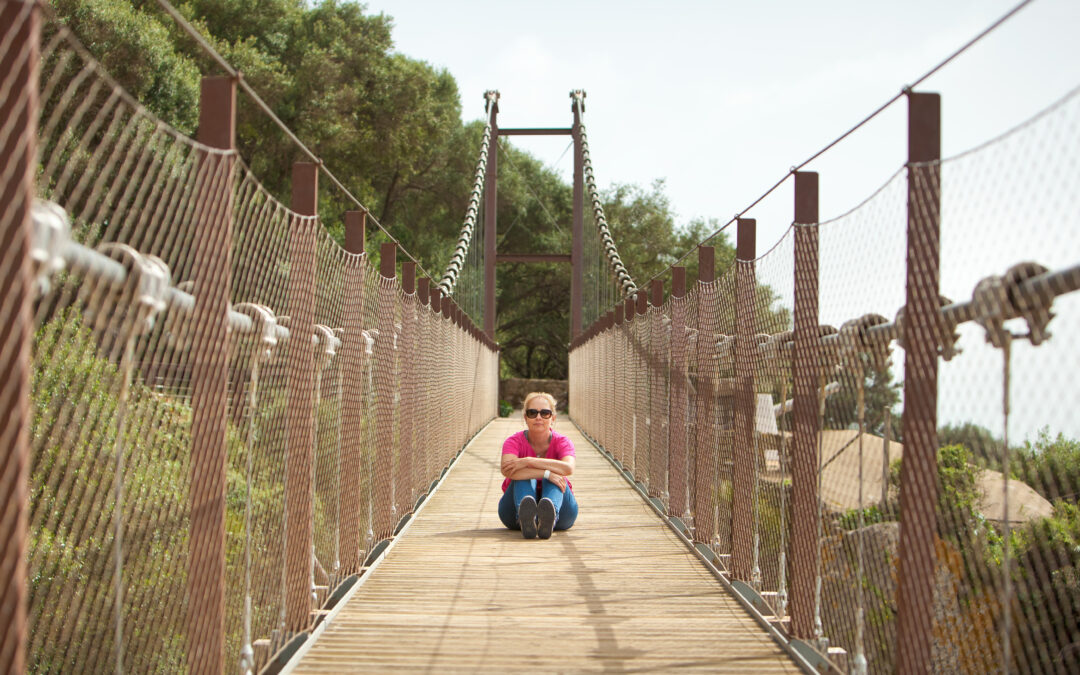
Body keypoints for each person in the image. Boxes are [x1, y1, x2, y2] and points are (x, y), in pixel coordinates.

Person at [497, 392, 579, 539]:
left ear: (553, 418)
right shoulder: (513, 441)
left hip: (563, 516)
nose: (538, 417)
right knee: (537, 475)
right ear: (525, 418)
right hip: (512, 515)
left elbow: (568, 468)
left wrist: (528, 461)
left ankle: (549, 516)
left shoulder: (563, 442)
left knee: (556, 475)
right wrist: (545, 473)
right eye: (532, 412)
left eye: (545, 413)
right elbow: (507, 470)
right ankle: (525, 518)